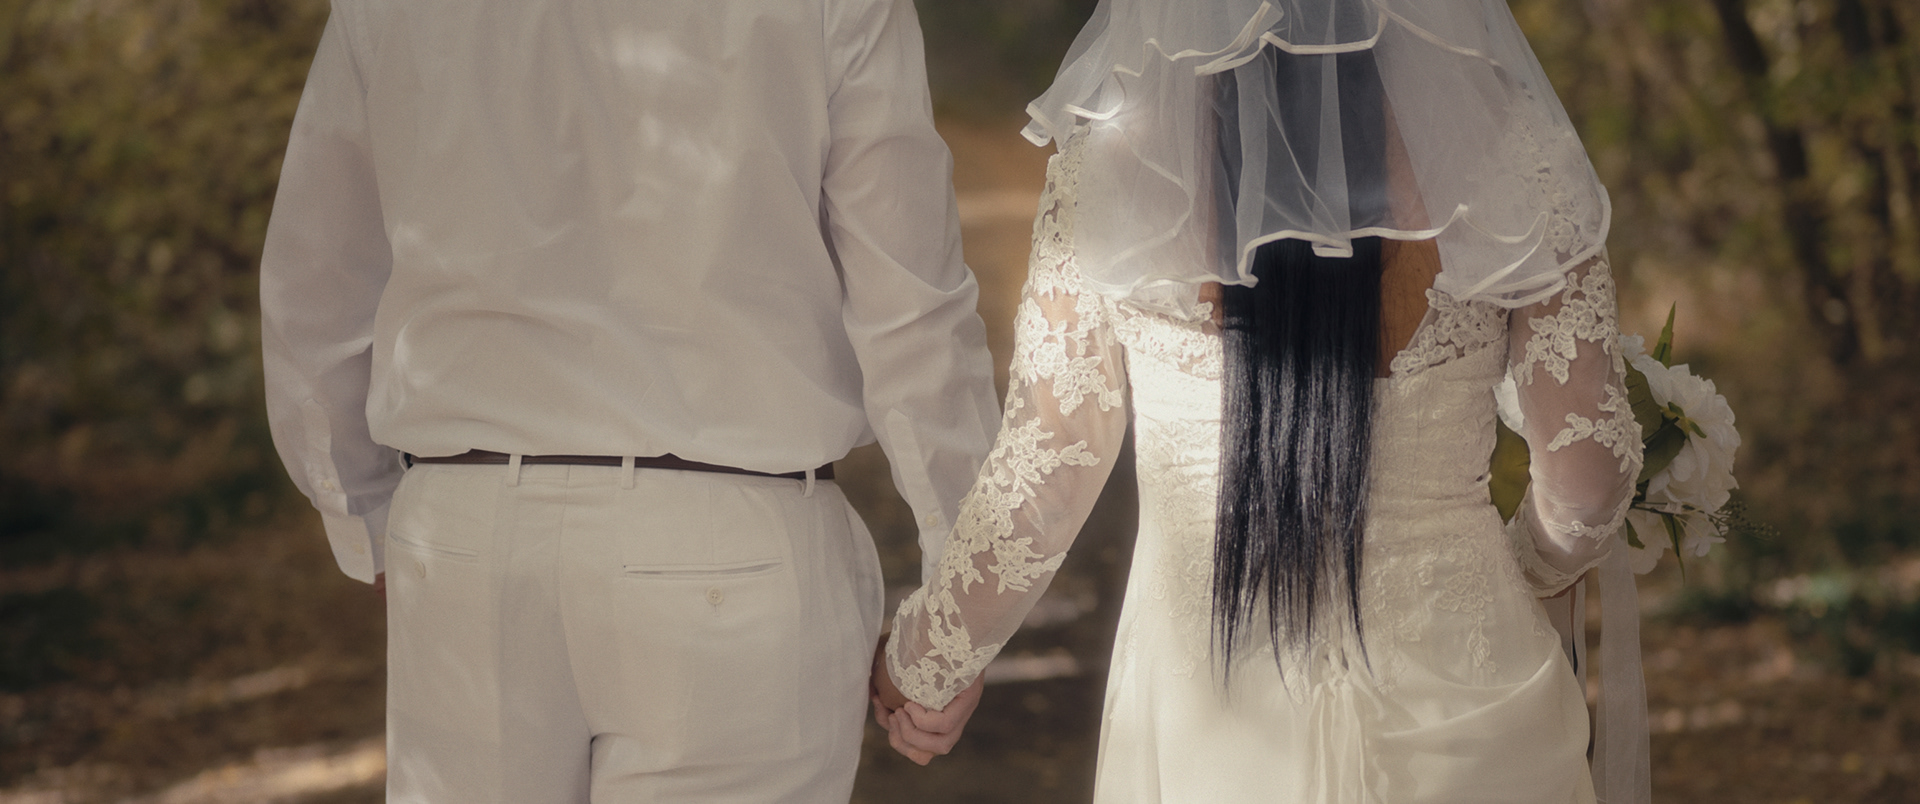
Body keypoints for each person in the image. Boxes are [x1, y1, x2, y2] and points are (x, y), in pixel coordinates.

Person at [870, 0, 1650, 800]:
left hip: (1209, 708)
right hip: (1467, 682)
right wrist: (1524, 568)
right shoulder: (1502, 141)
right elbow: (1587, 473)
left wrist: (924, 663)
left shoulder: (1117, 147)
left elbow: (1047, 466)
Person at [259, 0, 999, 800]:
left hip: (465, 537)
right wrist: (959, 612)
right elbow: (912, 314)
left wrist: (365, 513)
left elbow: (314, 285)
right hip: (735, 546)